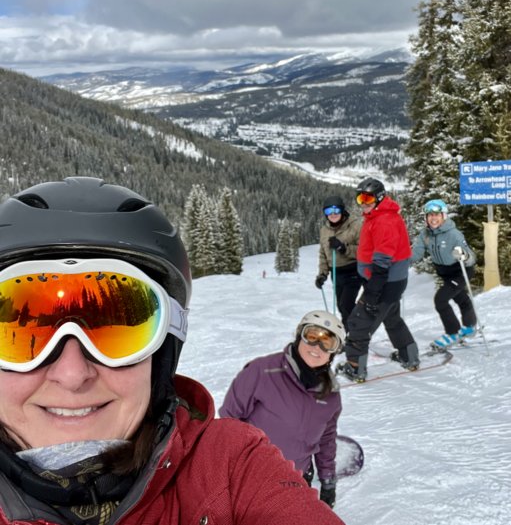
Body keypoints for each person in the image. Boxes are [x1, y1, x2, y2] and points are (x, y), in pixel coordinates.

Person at [0, 177, 346, 525]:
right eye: (21, 329)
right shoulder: (262, 373)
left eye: (118, 329)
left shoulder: (229, 467)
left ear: (163, 352)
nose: (72, 374)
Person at [219, 310, 345, 509]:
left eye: (327, 343)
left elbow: (326, 440)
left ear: (333, 353)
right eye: (311, 336)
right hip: (253, 477)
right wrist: (234, 469)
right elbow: (229, 420)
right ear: (299, 336)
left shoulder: (331, 396)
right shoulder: (262, 371)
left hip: (297, 479)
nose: (317, 347)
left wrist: (328, 480)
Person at [337, 177, 419, 383]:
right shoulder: (379, 215)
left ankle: (355, 367)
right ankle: (408, 355)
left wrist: (373, 292)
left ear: (379, 197)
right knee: (392, 318)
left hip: (384, 282)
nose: (363, 203)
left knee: (359, 322)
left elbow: (383, 260)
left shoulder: (384, 220)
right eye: (359, 198)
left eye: (367, 198)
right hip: (389, 282)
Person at [411, 198, 477, 349]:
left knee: (440, 300)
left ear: (443, 216)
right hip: (445, 273)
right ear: (426, 218)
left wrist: (464, 256)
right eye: (430, 215)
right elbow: (416, 253)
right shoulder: (425, 235)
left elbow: (471, 256)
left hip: (461, 271)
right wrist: (401, 259)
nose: (433, 218)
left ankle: (452, 333)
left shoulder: (454, 234)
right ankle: (469, 326)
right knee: (461, 298)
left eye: (437, 214)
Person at [315, 196, 363, 329]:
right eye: (329, 211)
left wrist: (344, 248)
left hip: (353, 270)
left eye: (336, 210)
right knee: (341, 306)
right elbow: (323, 254)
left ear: (342, 210)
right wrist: (322, 274)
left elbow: (365, 249)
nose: (333, 214)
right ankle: (352, 331)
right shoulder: (324, 230)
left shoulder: (355, 225)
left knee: (346, 305)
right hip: (336, 274)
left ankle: (354, 335)